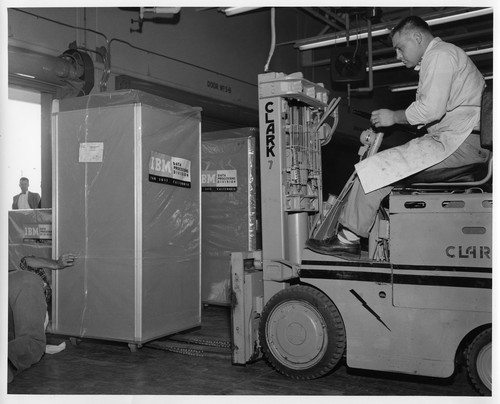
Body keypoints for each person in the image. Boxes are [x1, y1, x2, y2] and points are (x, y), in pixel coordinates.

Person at [306, 15, 490, 256]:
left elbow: (430, 110)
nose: (398, 56)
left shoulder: (440, 54)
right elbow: (434, 115)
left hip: (457, 142)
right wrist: (397, 121)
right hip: (462, 140)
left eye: (400, 48)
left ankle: (347, 239)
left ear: (417, 37)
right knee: (388, 169)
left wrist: (393, 116)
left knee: (373, 171)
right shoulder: (446, 57)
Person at [8, 253, 77, 383]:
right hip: (20, 285)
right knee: (33, 342)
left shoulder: (45, 301)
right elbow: (27, 261)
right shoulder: (31, 281)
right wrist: (57, 264)